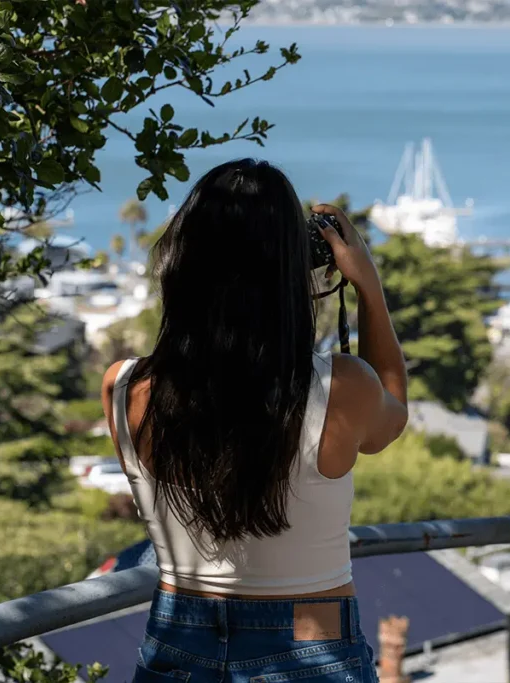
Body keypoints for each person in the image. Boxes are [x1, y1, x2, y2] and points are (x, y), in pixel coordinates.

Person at [101, 159, 408, 683]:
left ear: (181, 262)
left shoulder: (125, 387)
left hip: (180, 641)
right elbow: (393, 410)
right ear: (296, 269)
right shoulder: (344, 388)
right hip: (311, 645)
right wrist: (368, 289)